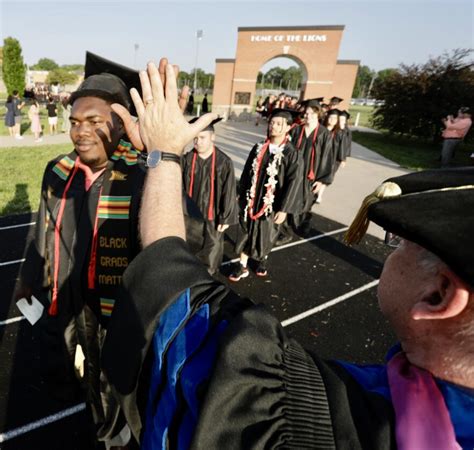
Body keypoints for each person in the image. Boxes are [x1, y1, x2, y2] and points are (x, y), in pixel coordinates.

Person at [101, 61, 474, 449]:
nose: (390, 251)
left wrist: (163, 156)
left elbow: (171, 294)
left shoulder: (303, 416)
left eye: (401, 243)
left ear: (438, 296)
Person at [14, 52, 153, 449]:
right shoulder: (58, 170)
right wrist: (27, 278)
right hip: (68, 298)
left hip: (118, 310)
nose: (80, 132)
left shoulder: (141, 177)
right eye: (75, 122)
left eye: (94, 122)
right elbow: (42, 228)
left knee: (120, 387)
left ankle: (119, 436)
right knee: (79, 370)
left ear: (121, 124)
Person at [228, 108, 303, 280]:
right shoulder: (259, 147)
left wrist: (284, 208)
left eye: (278, 124)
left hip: (274, 203)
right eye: (272, 122)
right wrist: (241, 192)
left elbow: (294, 181)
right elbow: (248, 171)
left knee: (268, 233)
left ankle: (263, 259)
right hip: (252, 200)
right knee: (246, 230)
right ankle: (242, 265)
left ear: (288, 127)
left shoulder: (292, 153)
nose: (273, 126)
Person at [182, 117, 237, 275]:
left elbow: (229, 190)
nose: (198, 142)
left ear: (213, 137)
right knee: (188, 254)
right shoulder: (187, 159)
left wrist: (226, 217)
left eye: (202, 137)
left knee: (210, 257)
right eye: (195, 138)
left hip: (213, 218)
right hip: (189, 218)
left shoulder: (224, 162)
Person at [284, 99, 333, 238]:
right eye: (306, 113)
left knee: (306, 201)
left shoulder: (324, 134)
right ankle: (287, 228)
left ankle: (302, 224)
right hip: (294, 173)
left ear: (318, 115)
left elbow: (327, 157)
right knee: (291, 197)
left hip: (312, 175)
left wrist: (322, 180)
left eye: (312, 113)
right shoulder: (297, 130)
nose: (308, 116)